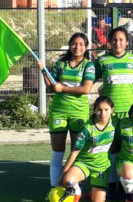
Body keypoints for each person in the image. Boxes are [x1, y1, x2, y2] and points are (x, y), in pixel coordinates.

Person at [39, 32, 95, 188]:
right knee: (58, 150)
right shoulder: (61, 63)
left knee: (76, 150)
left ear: (86, 47)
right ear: (70, 45)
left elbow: (86, 89)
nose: (77, 47)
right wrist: (43, 71)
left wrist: (62, 87)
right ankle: (54, 187)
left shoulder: (88, 65)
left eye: (81, 44)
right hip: (59, 110)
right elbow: (51, 85)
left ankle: (74, 187)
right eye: (74, 44)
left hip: (79, 112)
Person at [94, 26, 133, 195]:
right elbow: (90, 78)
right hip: (109, 114)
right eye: (114, 39)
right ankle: (112, 183)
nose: (117, 43)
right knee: (111, 147)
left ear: (127, 42)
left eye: (121, 39)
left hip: (129, 113)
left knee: (128, 146)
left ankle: (128, 183)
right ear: (109, 42)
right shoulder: (103, 61)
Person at [58, 95, 115, 202]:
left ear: (112, 110)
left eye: (106, 110)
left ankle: (93, 193)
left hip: (101, 167)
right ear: (95, 110)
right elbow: (75, 152)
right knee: (68, 180)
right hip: (84, 163)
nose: (103, 113)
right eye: (99, 110)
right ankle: (78, 192)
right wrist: (63, 173)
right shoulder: (87, 129)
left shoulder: (114, 123)